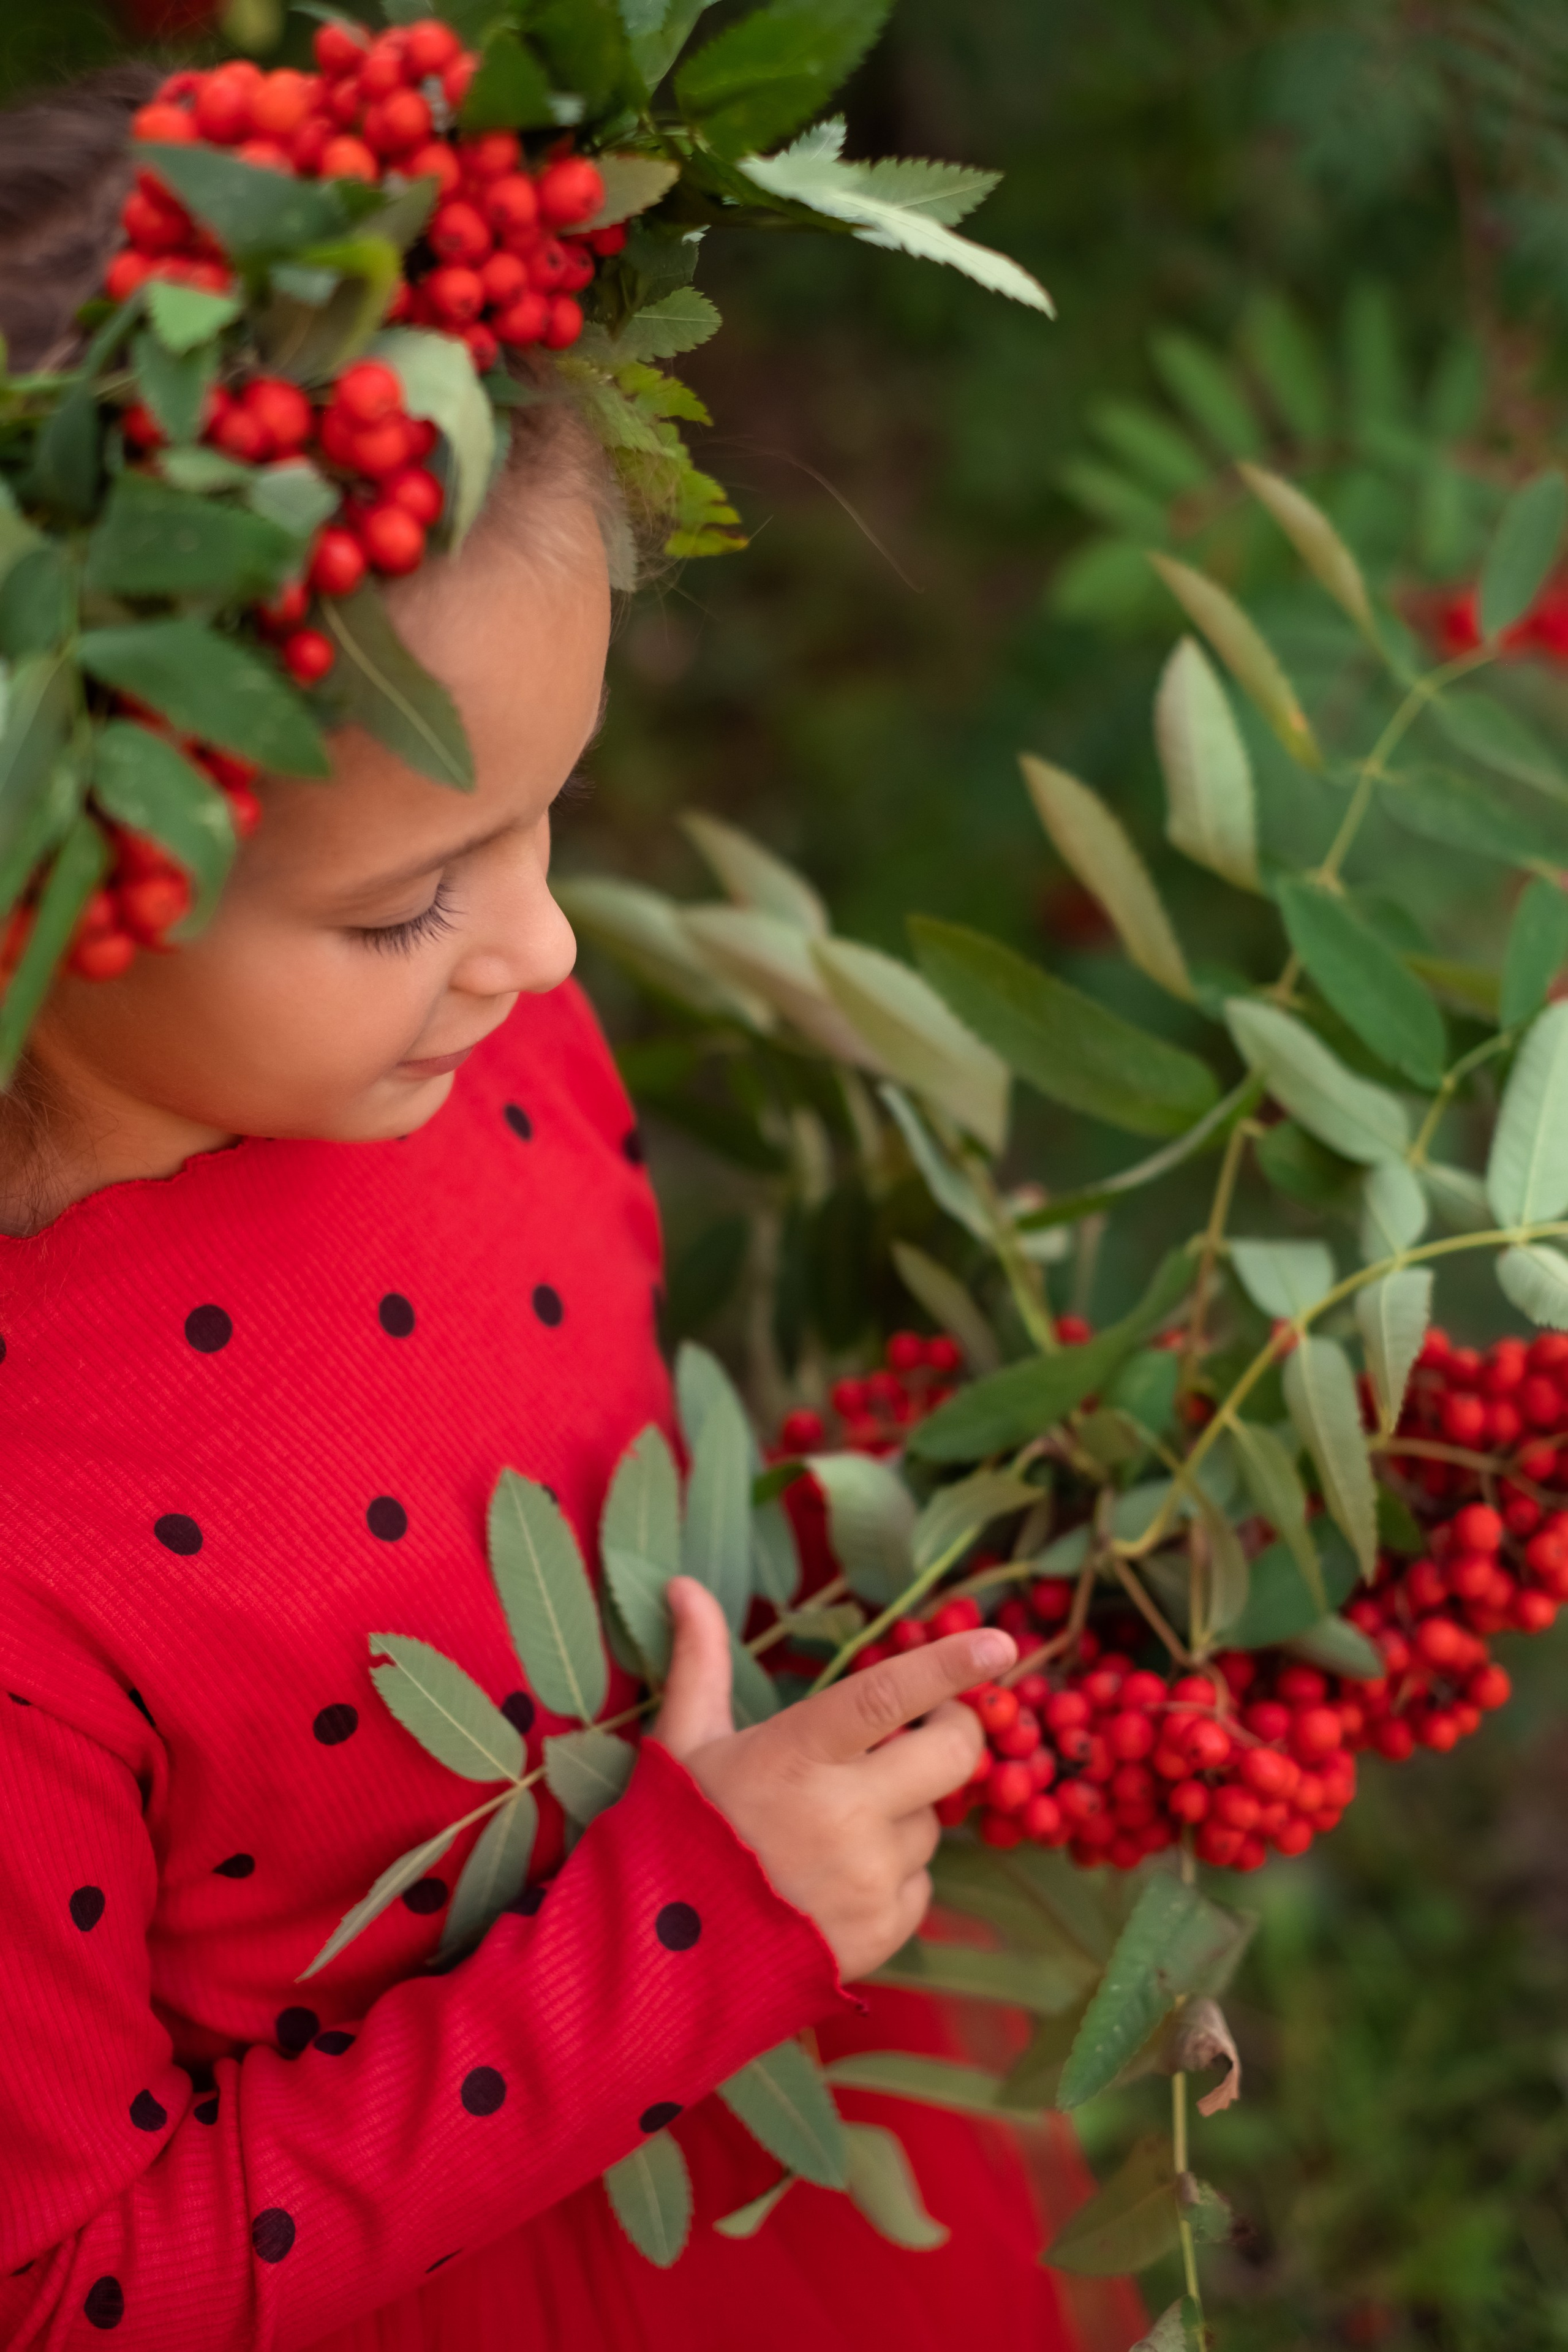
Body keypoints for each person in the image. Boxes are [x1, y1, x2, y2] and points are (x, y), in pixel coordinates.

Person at [0, 62, 1142, 2352]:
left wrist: (930, 1564)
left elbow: (574, 1483)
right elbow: (68, 2292)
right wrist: (686, 1939)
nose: (547, 953)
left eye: (552, 820)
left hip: (747, 2062)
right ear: (57, 870)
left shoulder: (477, 1042)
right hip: (461, 2222)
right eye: (416, 899)